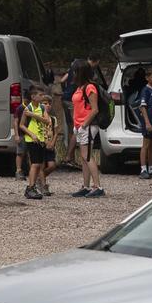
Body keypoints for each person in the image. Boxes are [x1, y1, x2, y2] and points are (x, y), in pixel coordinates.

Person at [68, 60, 105, 199]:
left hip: (87, 126)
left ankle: (98, 187)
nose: (73, 73)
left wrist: (84, 125)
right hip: (80, 126)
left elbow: (94, 110)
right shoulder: (80, 87)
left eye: (75, 71)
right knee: (84, 157)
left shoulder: (90, 87)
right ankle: (86, 186)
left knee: (87, 156)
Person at [19, 84, 57, 201]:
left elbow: (47, 120)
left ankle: (33, 186)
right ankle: (30, 187)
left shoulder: (41, 108)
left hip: (41, 140)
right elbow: (21, 125)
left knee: (39, 164)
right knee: (35, 164)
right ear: (33, 96)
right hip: (32, 140)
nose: (42, 97)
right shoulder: (28, 108)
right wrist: (31, 134)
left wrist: (34, 115)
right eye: (40, 95)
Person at [128, 67, 152, 179]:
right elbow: (143, 107)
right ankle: (143, 169)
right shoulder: (146, 90)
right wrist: (147, 123)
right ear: (147, 78)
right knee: (146, 146)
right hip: (149, 123)